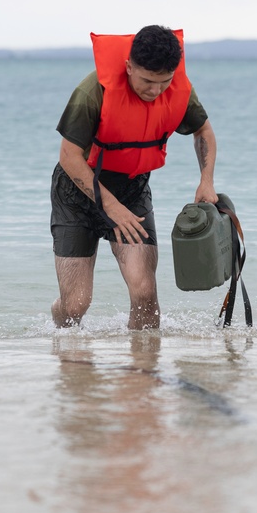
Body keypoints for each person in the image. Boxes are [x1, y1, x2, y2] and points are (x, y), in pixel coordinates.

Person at [50, 25, 218, 330]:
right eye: (147, 82)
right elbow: (69, 157)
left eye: (164, 82)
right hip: (77, 194)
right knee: (75, 305)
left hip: (132, 189)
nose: (155, 92)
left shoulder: (178, 90)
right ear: (129, 67)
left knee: (144, 292)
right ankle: (66, 352)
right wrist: (110, 208)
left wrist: (206, 181)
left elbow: (203, 131)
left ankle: (141, 372)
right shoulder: (93, 91)